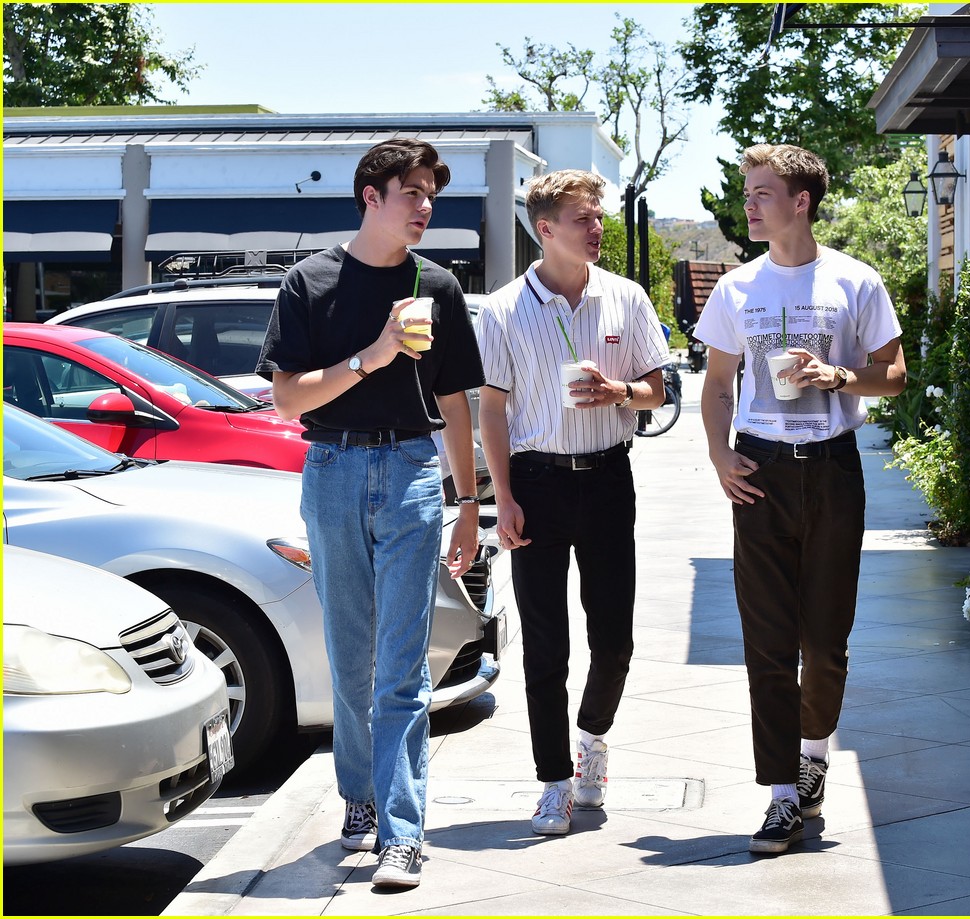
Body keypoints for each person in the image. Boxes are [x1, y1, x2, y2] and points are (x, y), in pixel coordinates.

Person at [256, 138, 485, 889]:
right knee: (349, 655)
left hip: (413, 470)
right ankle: (358, 795)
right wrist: (372, 355)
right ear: (371, 196)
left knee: (402, 663)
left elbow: (454, 399)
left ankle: (402, 831)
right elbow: (288, 400)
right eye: (412, 192)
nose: (425, 207)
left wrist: (468, 502)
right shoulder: (311, 280)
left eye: (431, 196)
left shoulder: (437, 285)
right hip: (332, 468)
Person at [695, 143, 907, 855]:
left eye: (762, 192)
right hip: (759, 470)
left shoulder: (855, 280)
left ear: (800, 202)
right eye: (748, 192)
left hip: (832, 470)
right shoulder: (736, 289)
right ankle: (782, 793)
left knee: (824, 640)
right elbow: (718, 385)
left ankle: (814, 752)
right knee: (767, 641)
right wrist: (720, 454)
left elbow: (895, 374)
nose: (750, 204)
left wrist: (839, 377)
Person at [476, 169, 671, 836]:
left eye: (599, 216)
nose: (597, 228)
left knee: (614, 639)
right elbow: (492, 411)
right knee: (545, 643)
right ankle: (554, 781)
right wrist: (502, 496)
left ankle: (592, 737)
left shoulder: (626, 297)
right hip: (536, 482)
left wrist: (620, 393)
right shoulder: (503, 310)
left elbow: (658, 390)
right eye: (583, 218)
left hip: (609, 477)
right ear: (545, 229)